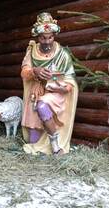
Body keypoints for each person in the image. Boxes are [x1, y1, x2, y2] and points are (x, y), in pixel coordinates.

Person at [20, 12, 78, 155]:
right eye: (43, 38)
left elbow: (70, 78)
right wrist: (35, 70)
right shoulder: (32, 51)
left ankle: (55, 146)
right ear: (38, 37)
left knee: (42, 106)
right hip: (36, 91)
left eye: (50, 37)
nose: (47, 41)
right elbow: (23, 72)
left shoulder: (62, 53)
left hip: (55, 92)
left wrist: (66, 88)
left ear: (54, 36)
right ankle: (41, 145)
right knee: (33, 140)